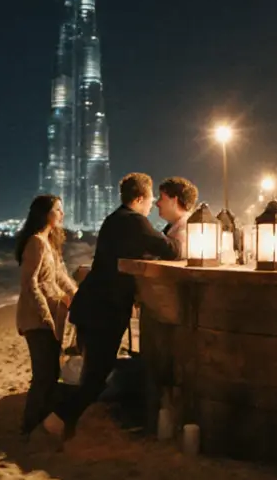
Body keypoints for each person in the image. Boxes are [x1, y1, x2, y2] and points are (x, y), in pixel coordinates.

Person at [42, 173, 178, 441]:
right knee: (96, 375)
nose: (151, 205)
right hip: (104, 310)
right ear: (138, 198)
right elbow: (170, 249)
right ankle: (58, 419)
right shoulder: (133, 220)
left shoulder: (115, 219)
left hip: (92, 305)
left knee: (95, 373)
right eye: (150, 199)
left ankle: (60, 420)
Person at [15, 194, 78, 437]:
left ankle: (42, 422)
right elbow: (30, 283)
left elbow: (60, 277)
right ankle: (29, 426)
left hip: (52, 315)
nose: (62, 214)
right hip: (37, 318)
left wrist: (77, 294)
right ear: (45, 214)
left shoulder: (48, 242)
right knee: (43, 374)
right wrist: (45, 315)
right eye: (58, 210)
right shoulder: (36, 243)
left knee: (51, 372)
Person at [155, 176, 199, 257]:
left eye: (161, 197)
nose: (157, 203)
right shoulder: (174, 227)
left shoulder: (186, 233)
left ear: (174, 200)